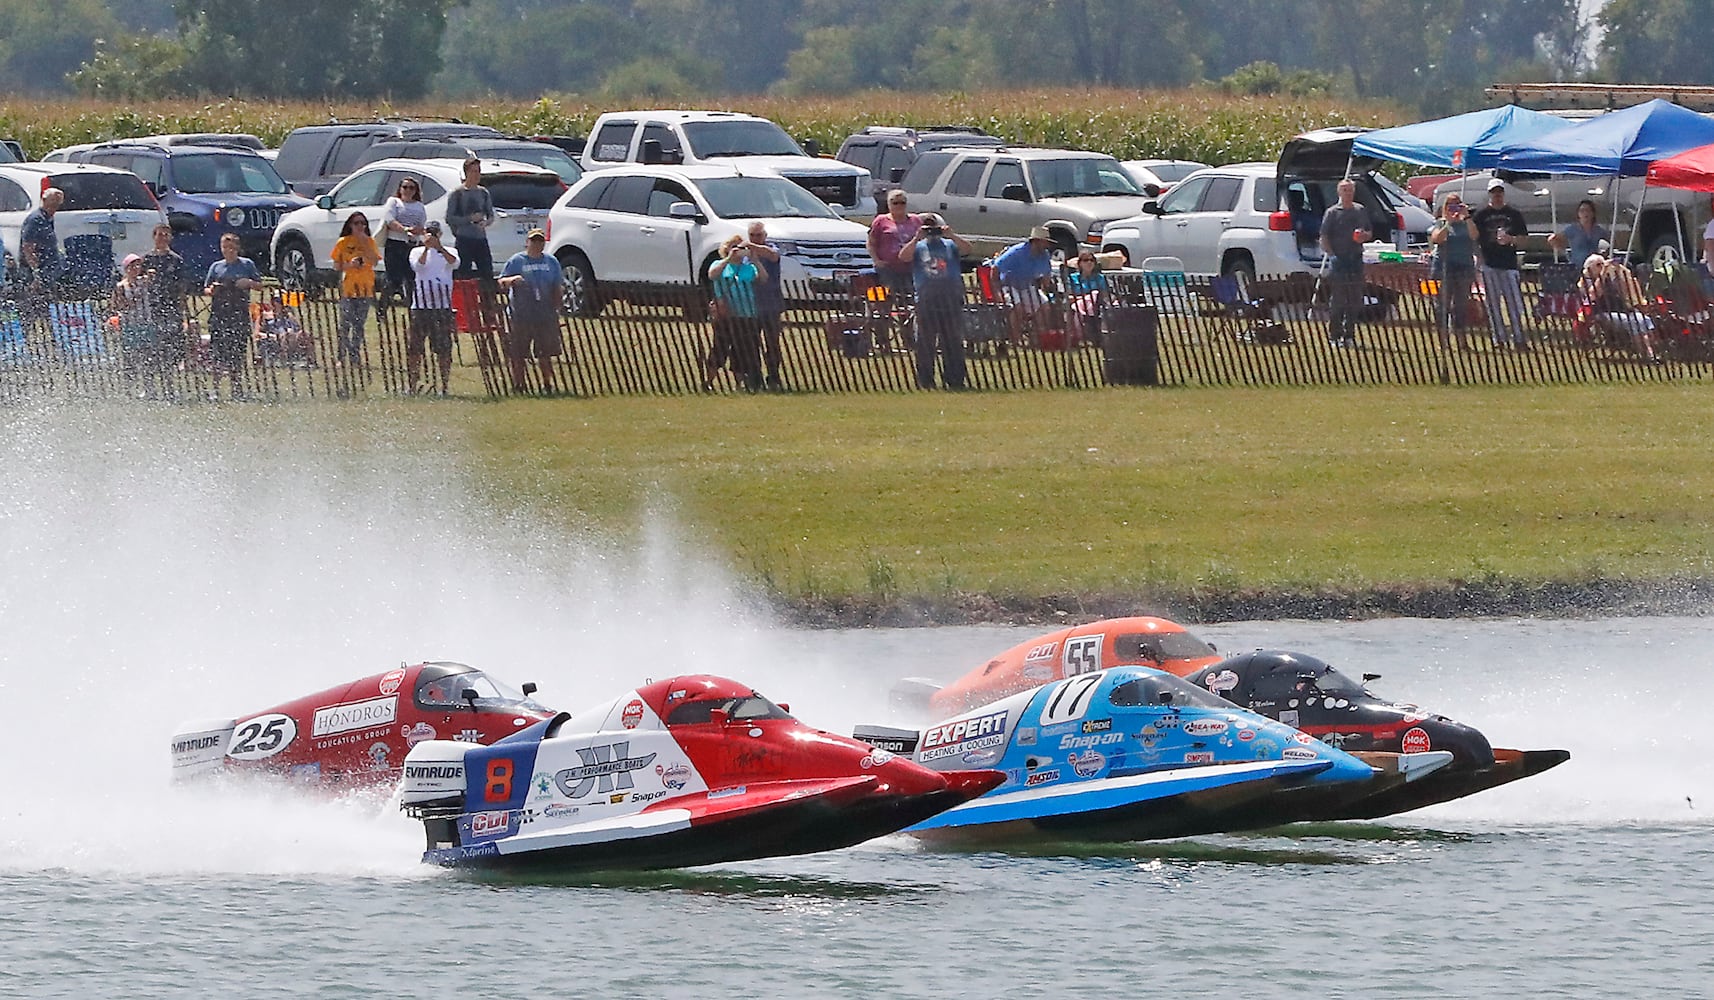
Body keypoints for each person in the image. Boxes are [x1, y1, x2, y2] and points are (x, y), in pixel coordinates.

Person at [900, 213, 972, 389]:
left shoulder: (949, 244)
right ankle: (926, 380)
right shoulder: (918, 246)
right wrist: (917, 238)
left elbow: (967, 249)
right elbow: (903, 257)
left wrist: (952, 235)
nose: (932, 231)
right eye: (928, 228)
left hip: (951, 297)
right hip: (926, 299)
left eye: (935, 227)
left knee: (952, 340)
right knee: (925, 342)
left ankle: (955, 379)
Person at [498, 228, 565, 394]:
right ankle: (519, 385)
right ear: (527, 242)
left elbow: (557, 285)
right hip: (521, 313)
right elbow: (501, 281)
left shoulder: (551, 261)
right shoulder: (517, 260)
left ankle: (547, 384)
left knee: (545, 352)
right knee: (518, 352)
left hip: (545, 312)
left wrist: (558, 307)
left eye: (540, 241)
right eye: (534, 241)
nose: (537, 244)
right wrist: (512, 279)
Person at [203, 232, 262, 399]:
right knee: (217, 353)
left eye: (231, 247)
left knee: (237, 352)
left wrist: (248, 283)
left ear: (237, 248)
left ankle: (237, 389)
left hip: (239, 313)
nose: (228, 250)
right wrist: (213, 289)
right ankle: (215, 389)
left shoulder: (247, 265)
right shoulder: (216, 267)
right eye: (225, 247)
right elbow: (206, 289)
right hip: (219, 314)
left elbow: (260, 285)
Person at [1473, 177, 1530, 350]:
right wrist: (1479, 256)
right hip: (1489, 263)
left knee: (1514, 303)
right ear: (1489, 195)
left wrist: (1511, 239)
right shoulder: (1481, 215)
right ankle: (1499, 338)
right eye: (1494, 193)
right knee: (1493, 304)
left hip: (1509, 264)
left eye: (1499, 192)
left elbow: (1525, 240)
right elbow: (1474, 238)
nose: (1497, 196)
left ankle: (1519, 338)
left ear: (1503, 194)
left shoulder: (1514, 214)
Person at [705, 234, 763, 391]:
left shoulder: (748, 268)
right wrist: (728, 259)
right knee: (720, 348)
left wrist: (755, 260)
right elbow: (712, 275)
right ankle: (708, 381)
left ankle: (739, 384)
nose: (738, 251)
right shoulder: (719, 264)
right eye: (734, 247)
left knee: (741, 350)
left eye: (741, 247)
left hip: (747, 313)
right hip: (725, 314)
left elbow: (763, 278)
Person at [408, 220, 459, 395]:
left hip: (442, 306)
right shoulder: (416, 251)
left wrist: (440, 248)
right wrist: (427, 248)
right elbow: (418, 266)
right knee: (415, 348)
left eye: (435, 233)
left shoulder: (450, 251)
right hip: (421, 306)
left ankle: (444, 386)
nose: (432, 236)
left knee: (443, 349)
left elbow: (454, 263)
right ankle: (412, 385)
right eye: (429, 232)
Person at [1319, 177, 1369, 348]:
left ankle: (1349, 335)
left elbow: (1369, 232)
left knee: (1355, 299)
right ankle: (1334, 335)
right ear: (1339, 192)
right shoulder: (1332, 212)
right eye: (1345, 190)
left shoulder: (1360, 210)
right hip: (1339, 259)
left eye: (1350, 190)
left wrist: (1364, 236)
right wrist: (1331, 255)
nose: (1348, 193)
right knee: (1338, 299)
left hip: (1356, 258)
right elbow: (1324, 236)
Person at [1580, 254, 1659, 362]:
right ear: (1589, 268)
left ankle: (1650, 353)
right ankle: (1648, 356)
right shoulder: (1585, 281)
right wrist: (1603, 273)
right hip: (1602, 313)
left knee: (1644, 320)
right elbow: (1593, 295)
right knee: (1635, 322)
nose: (1602, 267)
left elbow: (1625, 292)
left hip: (1621, 311)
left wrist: (1619, 274)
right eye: (1598, 265)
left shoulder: (1609, 279)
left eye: (1603, 264)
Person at [1430, 193, 1479, 351]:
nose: (1453, 209)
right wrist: (1448, 223)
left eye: (1457, 205)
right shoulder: (1440, 222)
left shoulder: (1467, 223)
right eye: (1450, 206)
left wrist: (1466, 217)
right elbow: (1437, 239)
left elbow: (1474, 235)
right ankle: (1443, 341)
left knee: (1461, 305)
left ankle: (1461, 341)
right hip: (1443, 267)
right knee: (1441, 305)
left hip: (1464, 266)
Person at [330, 212, 380, 370]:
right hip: (349, 288)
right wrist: (350, 265)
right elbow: (336, 266)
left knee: (359, 324)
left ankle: (355, 354)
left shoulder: (370, 241)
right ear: (350, 225)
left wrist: (364, 241)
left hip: (365, 288)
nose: (360, 226)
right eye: (357, 223)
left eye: (363, 224)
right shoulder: (343, 242)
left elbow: (375, 261)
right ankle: (341, 356)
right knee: (345, 323)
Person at [139, 223, 191, 374]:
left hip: (171, 304)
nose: (162, 238)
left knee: (173, 337)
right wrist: (145, 277)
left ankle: (172, 366)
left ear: (171, 238)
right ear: (153, 237)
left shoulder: (176, 260)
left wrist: (182, 305)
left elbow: (182, 284)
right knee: (155, 340)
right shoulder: (147, 259)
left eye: (165, 235)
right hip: (152, 304)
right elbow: (136, 279)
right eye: (159, 234)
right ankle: (155, 367)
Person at [993, 225, 1058, 346]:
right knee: (1017, 308)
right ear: (1037, 241)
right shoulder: (1017, 252)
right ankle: (1014, 340)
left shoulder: (1044, 255)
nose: (1047, 245)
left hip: (1027, 286)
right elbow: (996, 268)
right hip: (1008, 285)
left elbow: (1046, 274)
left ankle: (1037, 339)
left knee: (1044, 306)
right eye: (1045, 242)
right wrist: (996, 291)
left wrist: (1045, 288)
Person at [746, 221, 786, 389]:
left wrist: (751, 247)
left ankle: (774, 377)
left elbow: (773, 256)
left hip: (771, 304)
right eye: (752, 236)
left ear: (765, 235)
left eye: (759, 235)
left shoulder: (772, 248)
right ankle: (755, 377)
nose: (756, 239)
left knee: (772, 343)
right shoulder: (745, 254)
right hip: (751, 305)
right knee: (751, 343)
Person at [866, 189, 921, 305]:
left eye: (902, 202)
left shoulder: (915, 220)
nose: (899, 206)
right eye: (895, 203)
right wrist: (876, 260)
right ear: (889, 204)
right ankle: (881, 319)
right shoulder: (881, 220)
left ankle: (907, 321)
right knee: (883, 298)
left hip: (910, 266)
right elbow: (871, 242)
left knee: (908, 298)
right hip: (887, 267)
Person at [381, 176, 428, 307]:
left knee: (411, 278)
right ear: (400, 189)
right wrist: (405, 230)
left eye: (411, 188)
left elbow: (422, 225)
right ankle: (382, 307)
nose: (408, 190)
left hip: (412, 245)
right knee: (393, 278)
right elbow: (390, 220)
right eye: (405, 187)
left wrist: (416, 231)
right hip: (394, 244)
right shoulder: (394, 202)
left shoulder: (419, 206)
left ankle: (412, 307)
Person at [445, 157, 495, 280]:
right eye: (473, 171)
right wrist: (469, 219)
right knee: (463, 273)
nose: (476, 175)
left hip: (481, 238)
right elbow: (449, 218)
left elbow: (491, 215)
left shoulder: (483, 193)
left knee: (487, 272)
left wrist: (486, 222)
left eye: (478, 171)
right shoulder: (457, 193)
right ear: (466, 173)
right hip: (464, 238)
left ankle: (487, 297)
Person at [19, 187, 64, 321]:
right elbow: (28, 248)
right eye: (52, 203)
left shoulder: (48, 219)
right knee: (32, 310)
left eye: (57, 204)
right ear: (44, 200)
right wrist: (36, 274)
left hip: (49, 273)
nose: (54, 207)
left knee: (51, 311)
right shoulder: (35, 220)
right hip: (36, 274)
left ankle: (50, 336)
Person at [1548, 199, 1610, 272]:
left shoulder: (1599, 231)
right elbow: (1552, 239)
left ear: (1593, 213)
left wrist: (1603, 255)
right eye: (1582, 211)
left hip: (1594, 268)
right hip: (1576, 267)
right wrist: (1564, 251)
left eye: (1588, 210)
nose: (1585, 213)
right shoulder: (1572, 229)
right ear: (1578, 214)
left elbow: (1609, 244)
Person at [1067, 248, 1109, 347]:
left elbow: (1105, 295)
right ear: (1080, 263)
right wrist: (1085, 298)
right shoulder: (1072, 278)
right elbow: (1069, 296)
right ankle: (1078, 337)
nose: (1089, 262)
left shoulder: (1100, 278)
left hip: (1096, 306)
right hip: (1077, 305)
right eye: (1085, 260)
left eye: (1092, 260)